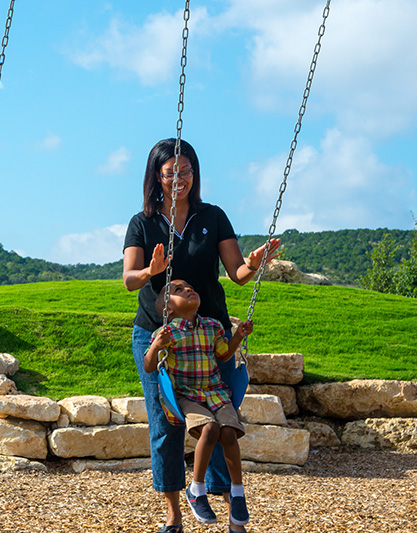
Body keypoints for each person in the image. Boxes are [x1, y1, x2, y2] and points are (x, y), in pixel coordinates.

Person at [122, 138, 280, 533]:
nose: (180, 178)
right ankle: (174, 515)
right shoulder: (142, 222)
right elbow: (129, 279)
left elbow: (237, 274)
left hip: (210, 335)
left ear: (195, 172)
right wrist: (151, 271)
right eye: (171, 172)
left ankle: (230, 507)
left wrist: (254, 264)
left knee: (223, 419)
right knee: (167, 424)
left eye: (186, 170)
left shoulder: (213, 216)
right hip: (159, 335)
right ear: (156, 177)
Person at [144, 280, 253, 527]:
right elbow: (150, 366)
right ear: (167, 308)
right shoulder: (165, 333)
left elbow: (223, 355)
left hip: (216, 393)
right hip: (187, 396)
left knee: (228, 432)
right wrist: (156, 347)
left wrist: (238, 336)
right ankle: (197, 488)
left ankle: (238, 492)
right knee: (210, 429)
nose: (188, 290)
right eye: (178, 290)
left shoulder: (212, 327)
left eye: (190, 287)